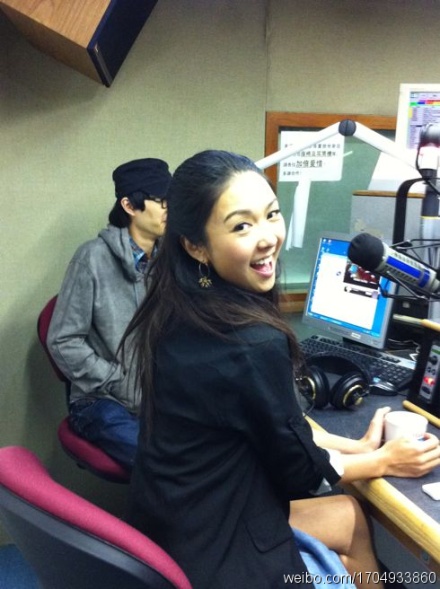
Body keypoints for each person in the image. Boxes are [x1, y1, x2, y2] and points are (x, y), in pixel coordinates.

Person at [121, 150, 440, 589]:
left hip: (179, 524)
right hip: (222, 550)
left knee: (348, 514)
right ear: (195, 245)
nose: (268, 237)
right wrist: (384, 459)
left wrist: (355, 447)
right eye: (241, 226)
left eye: (271, 214)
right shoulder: (248, 343)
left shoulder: (177, 311)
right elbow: (302, 474)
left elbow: (268, 428)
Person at [47, 158, 172, 472]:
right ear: (129, 206)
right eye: (161, 200)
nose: (169, 208)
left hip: (157, 400)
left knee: (213, 450)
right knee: (160, 463)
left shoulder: (168, 262)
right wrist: (115, 379)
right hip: (100, 402)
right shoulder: (91, 259)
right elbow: (62, 341)